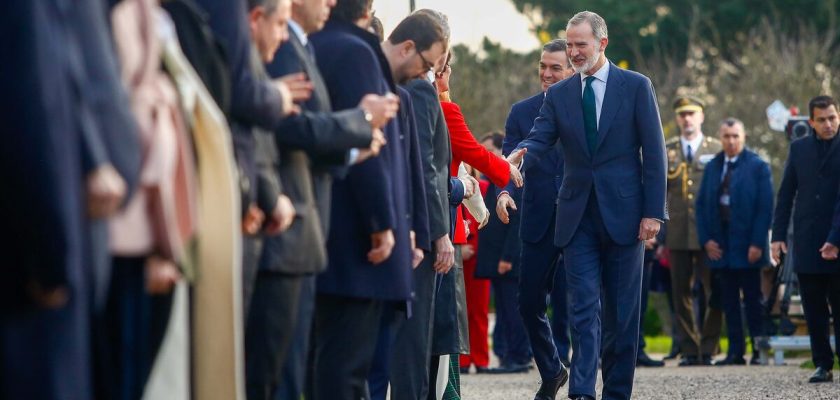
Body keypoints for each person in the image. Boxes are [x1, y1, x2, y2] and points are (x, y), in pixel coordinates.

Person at [507, 11, 666, 400]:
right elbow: (540, 136)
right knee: (581, 306)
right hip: (575, 216)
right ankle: (581, 391)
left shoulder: (636, 86)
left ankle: (615, 392)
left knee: (622, 314)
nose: (574, 52)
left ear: (602, 43)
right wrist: (514, 157)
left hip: (626, 217)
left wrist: (653, 212)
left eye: (581, 44)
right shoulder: (560, 94)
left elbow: (655, 152)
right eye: (570, 44)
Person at [309, 1, 439, 398]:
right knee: (349, 370)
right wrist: (384, 224)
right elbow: (374, 153)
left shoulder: (314, 45)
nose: (426, 73)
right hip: (360, 245)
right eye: (428, 62)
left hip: (325, 230)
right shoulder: (356, 54)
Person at [497, 38, 575, 376]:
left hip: (579, 218)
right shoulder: (521, 112)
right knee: (528, 302)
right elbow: (508, 160)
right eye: (543, 67)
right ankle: (552, 370)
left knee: (580, 303)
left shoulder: (588, 109)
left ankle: (583, 377)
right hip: (537, 218)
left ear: (573, 69)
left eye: (555, 68)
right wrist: (502, 192)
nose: (546, 73)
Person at [772, 95, 840, 383]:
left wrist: (835, 238)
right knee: (813, 309)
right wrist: (777, 237)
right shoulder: (799, 149)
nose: (828, 124)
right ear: (811, 122)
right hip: (808, 240)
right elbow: (786, 194)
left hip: (838, 240)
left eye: (833, 117)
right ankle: (822, 364)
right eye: (822, 119)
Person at [695, 118, 773, 366]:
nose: (731, 141)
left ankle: (759, 351)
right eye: (726, 136)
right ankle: (735, 352)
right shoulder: (713, 166)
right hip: (721, 247)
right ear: (721, 138)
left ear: (744, 137)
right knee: (728, 302)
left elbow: (765, 208)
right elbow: (701, 206)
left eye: (735, 136)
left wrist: (757, 243)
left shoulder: (758, 167)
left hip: (748, 245)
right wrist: (706, 240)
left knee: (753, 301)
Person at [663, 96, 723, 366]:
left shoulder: (717, 149)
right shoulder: (668, 150)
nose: (687, 119)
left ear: (701, 117)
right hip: (678, 232)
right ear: (677, 118)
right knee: (681, 293)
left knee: (714, 290)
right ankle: (689, 349)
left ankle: (708, 347)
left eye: (692, 114)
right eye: (682, 114)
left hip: (710, 233)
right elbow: (659, 190)